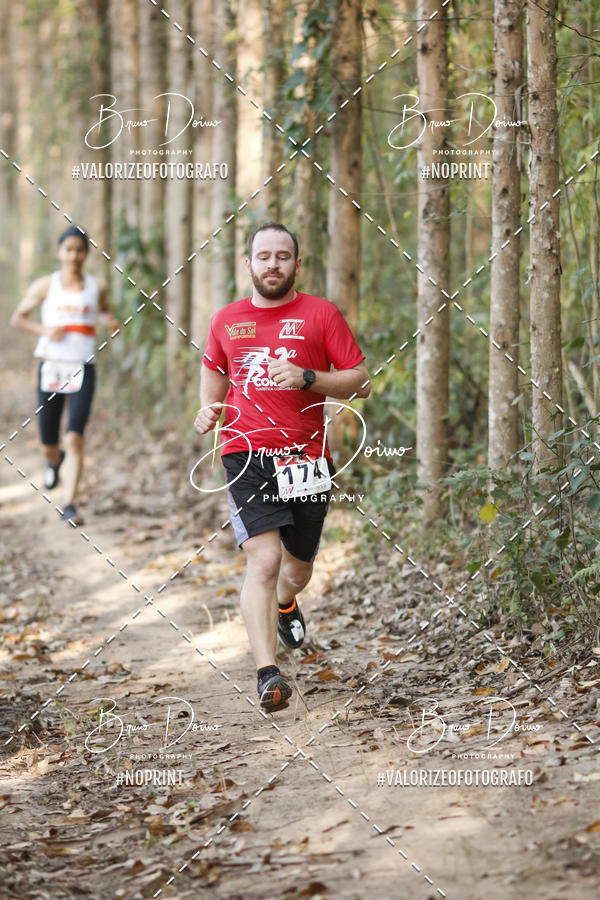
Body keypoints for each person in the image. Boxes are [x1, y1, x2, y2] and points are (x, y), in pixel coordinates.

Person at [194, 223, 370, 712]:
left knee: (296, 569)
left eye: (282, 256)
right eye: (263, 256)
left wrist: (309, 377)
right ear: (247, 264)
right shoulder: (226, 320)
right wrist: (208, 410)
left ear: (297, 264)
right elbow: (213, 376)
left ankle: (287, 603)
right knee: (265, 562)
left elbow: (361, 382)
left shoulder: (321, 314)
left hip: (308, 459)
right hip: (244, 454)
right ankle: (267, 673)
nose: (273, 264)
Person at [10, 226, 118, 525]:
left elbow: (103, 311)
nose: (74, 255)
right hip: (52, 367)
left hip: (83, 367)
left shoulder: (97, 286)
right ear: (60, 253)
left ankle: (69, 505)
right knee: (50, 440)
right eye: (68, 249)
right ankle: (51, 460)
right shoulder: (46, 285)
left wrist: (110, 321)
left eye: (79, 250)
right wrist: (45, 330)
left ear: (86, 254)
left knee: (75, 438)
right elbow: (17, 318)